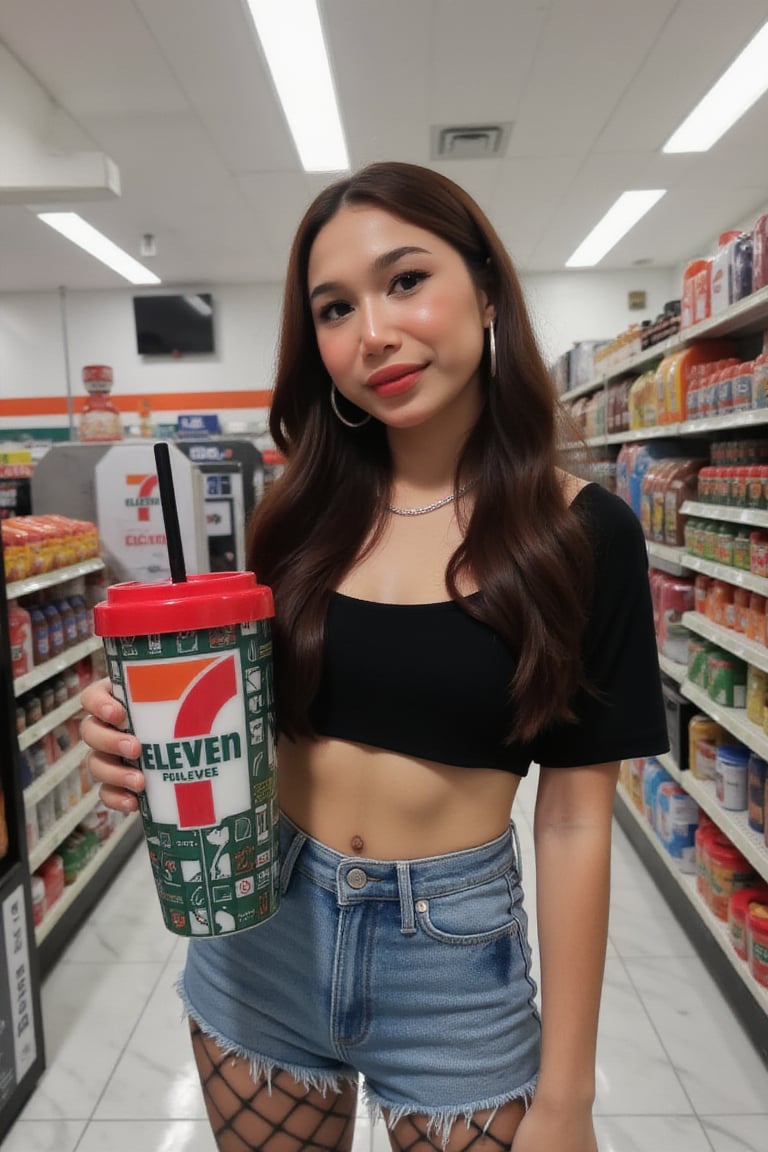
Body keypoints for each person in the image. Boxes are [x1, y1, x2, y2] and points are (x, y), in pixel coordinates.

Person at [80, 161, 669, 1152]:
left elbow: (572, 821)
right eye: (335, 307)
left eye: (406, 281)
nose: (374, 334)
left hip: (452, 963)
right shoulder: (296, 520)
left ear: (487, 292)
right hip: (262, 934)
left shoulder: (584, 536)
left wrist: (567, 1099)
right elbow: (245, 728)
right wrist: (142, 738)